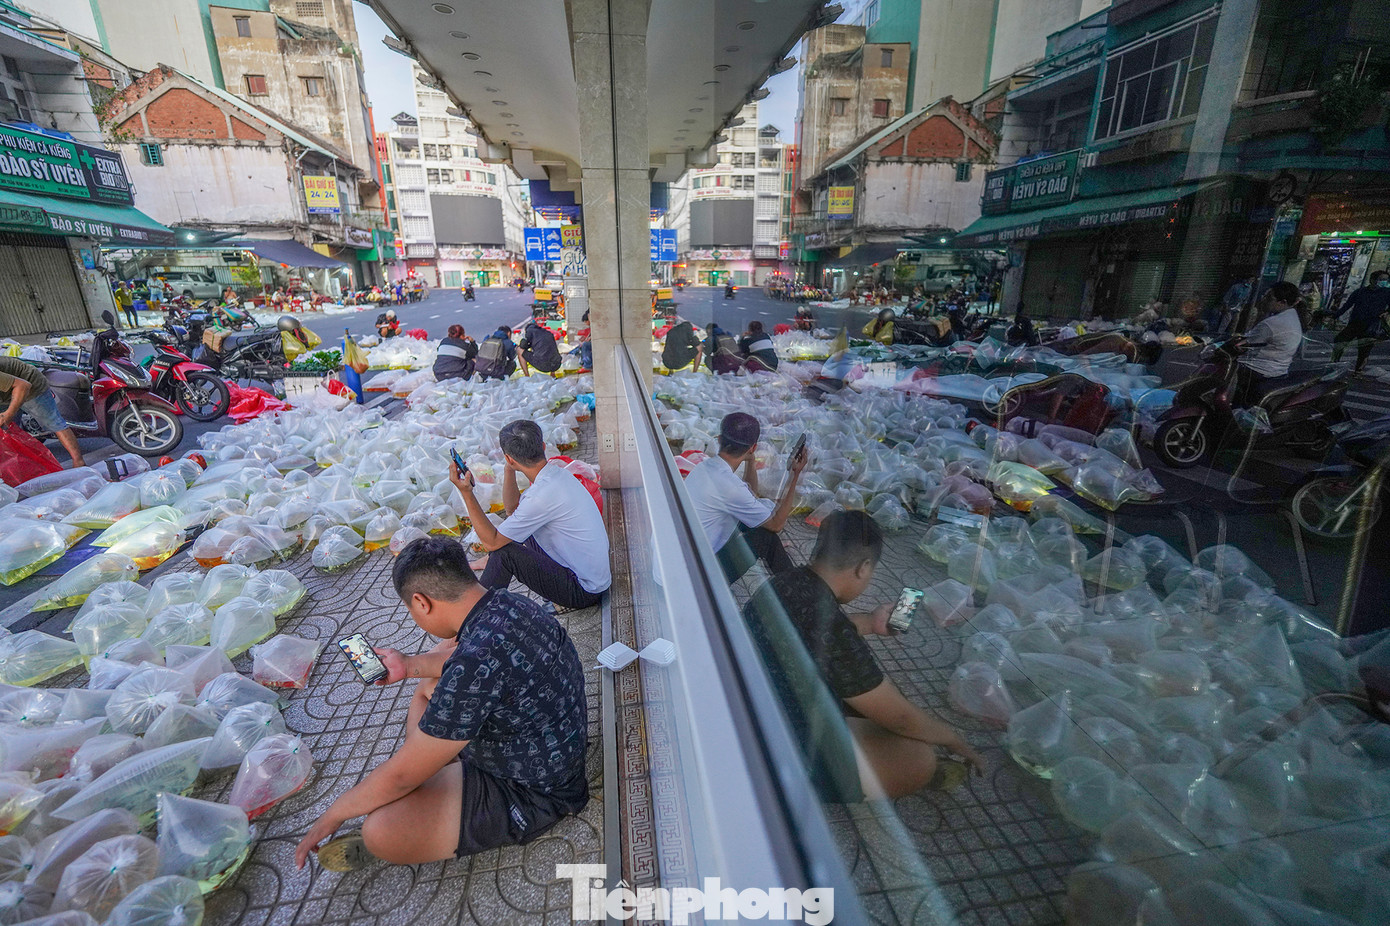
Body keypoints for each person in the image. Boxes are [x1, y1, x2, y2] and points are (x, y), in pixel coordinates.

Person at [294, 537, 588, 871]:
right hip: (551, 743)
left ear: (420, 602)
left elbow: (403, 776)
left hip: (538, 790)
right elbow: (475, 661)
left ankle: (425, 781)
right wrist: (407, 665)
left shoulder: (471, 666)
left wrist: (334, 813)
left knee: (380, 830)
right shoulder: (507, 602)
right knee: (429, 685)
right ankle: (431, 763)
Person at [742, 511, 985, 801]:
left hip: (753, 704)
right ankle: (806, 788)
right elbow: (901, 719)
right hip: (779, 742)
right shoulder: (836, 631)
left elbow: (814, 633)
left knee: (874, 709)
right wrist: (954, 739)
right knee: (918, 757)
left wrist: (870, 622)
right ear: (863, 567)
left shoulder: (783, 582)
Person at [449, 420, 610, 610]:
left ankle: (473, 617)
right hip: (592, 575)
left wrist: (467, 494)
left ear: (509, 458)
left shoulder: (540, 496)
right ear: (542, 446)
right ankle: (477, 610)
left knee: (504, 552)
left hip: (585, 591)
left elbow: (491, 543)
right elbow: (512, 510)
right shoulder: (555, 475)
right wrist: (510, 468)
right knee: (512, 534)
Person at [685, 413, 805, 582]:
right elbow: (777, 524)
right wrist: (795, 476)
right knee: (766, 537)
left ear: (719, 439)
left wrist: (750, 461)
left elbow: (751, 497)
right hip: (695, 577)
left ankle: (792, 582)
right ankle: (794, 587)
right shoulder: (730, 487)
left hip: (680, 560)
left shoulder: (704, 467)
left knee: (757, 520)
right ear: (753, 447)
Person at [0, 356, 85, 467]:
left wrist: (9, 414)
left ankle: (79, 462)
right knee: (7, 431)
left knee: (54, 422)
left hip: (31, 385)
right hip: (6, 393)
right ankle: (16, 468)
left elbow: (23, 386)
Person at [1235, 280, 1304, 406]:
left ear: (1282, 302)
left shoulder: (1273, 323)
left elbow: (1243, 345)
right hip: (1278, 370)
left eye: (1269, 297)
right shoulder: (1291, 316)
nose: (1264, 299)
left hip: (1258, 370)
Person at [1331, 270, 1390, 372]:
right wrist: (1334, 316)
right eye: (1381, 279)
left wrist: (1387, 312)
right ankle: (1334, 365)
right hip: (1355, 323)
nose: (1384, 282)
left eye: (1386, 280)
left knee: (1364, 351)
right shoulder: (1360, 292)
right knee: (1339, 341)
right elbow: (1347, 305)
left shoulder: (1387, 293)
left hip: (1371, 326)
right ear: (1372, 280)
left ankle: (1358, 372)